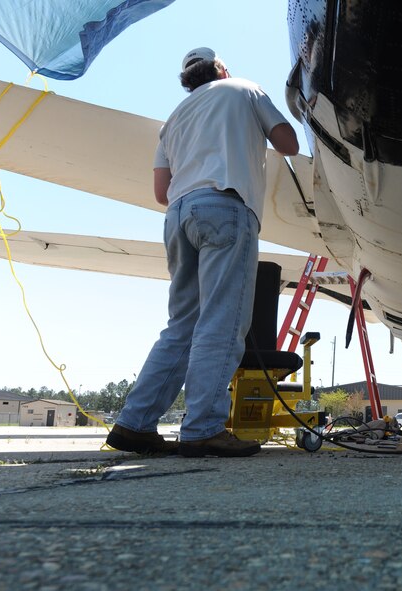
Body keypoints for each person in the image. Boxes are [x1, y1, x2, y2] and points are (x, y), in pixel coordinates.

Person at [106, 47, 299, 457]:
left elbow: (161, 192)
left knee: (182, 325)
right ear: (223, 69)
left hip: (178, 215)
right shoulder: (243, 89)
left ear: (187, 80)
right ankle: (202, 429)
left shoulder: (172, 121)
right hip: (226, 206)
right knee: (223, 322)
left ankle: (134, 425)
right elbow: (288, 144)